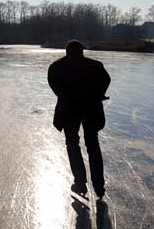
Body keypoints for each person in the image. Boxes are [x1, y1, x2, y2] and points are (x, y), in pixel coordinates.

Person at [48, 40, 111, 198]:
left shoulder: (57, 67)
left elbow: (53, 83)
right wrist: (98, 94)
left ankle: (80, 183)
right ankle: (99, 186)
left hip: (69, 110)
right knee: (93, 145)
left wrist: (63, 96)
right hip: (91, 109)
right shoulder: (96, 65)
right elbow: (106, 80)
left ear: (67, 51)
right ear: (82, 51)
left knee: (72, 143)